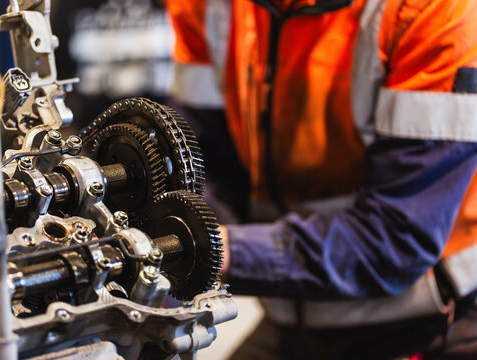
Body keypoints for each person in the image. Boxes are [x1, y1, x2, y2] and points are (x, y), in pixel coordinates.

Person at [167, 0, 477, 358]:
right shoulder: (207, 6)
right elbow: (201, 159)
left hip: (423, 321)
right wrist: (171, 233)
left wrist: (214, 250)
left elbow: (397, 238)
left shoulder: (433, 10)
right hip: (292, 314)